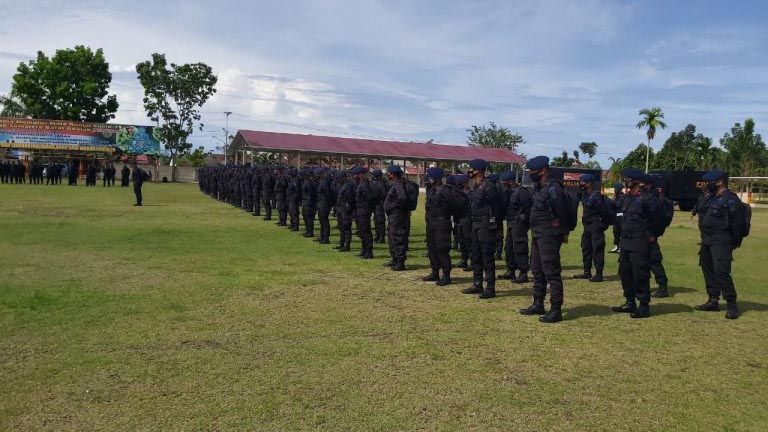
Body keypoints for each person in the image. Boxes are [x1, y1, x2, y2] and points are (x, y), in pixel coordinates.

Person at [519, 156, 569, 323]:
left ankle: (556, 309)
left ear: (542, 171)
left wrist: (563, 232)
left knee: (551, 272)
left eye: (532, 171)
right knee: (537, 270)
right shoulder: (538, 188)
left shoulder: (553, 188)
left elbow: (561, 212)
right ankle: (538, 303)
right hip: (537, 234)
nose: (530, 174)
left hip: (549, 235)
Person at [611, 170, 665, 319]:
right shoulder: (627, 198)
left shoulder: (648, 199)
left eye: (629, 179)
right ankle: (630, 302)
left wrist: (652, 235)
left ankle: (643, 306)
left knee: (640, 274)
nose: (626, 181)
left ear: (639, 181)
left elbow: (660, 220)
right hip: (626, 241)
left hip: (640, 241)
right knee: (625, 273)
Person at [695, 170, 745, 319]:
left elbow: (738, 224)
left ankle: (732, 305)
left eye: (708, 182)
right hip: (707, 239)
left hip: (722, 239)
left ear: (719, 182)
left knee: (722, 272)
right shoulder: (711, 198)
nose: (706, 185)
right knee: (708, 269)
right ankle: (713, 300)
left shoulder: (730, 199)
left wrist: (733, 242)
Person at [461, 159, 502, 300]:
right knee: (476, 255)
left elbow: (497, 207)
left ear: (478, 170)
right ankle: (477, 283)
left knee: (487, 256)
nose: (469, 171)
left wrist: (495, 227)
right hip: (475, 224)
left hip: (486, 225)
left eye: (471, 169)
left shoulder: (489, 186)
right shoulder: (476, 185)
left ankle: (490, 288)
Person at [499, 170, 532, 283]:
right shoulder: (509, 192)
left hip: (519, 224)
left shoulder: (522, 192)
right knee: (508, 248)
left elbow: (528, 209)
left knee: (519, 247)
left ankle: (523, 272)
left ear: (511, 181)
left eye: (505, 183)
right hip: (511, 223)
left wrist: (524, 222)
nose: (504, 186)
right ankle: (511, 270)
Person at [573, 174, 607, 282]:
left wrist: (601, 225)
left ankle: (599, 274)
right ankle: (587, 272)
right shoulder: (585, 195)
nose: (580, 184)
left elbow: (604, 212)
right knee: (586, 248)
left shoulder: (597, 196)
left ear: (588, 183)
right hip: (587, 226)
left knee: (597, 249)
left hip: (596, 226)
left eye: (582, 182)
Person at [422, 167, 453, 286]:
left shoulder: (445, 190)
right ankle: (435, 272)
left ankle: (446, 275)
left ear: (435, 178)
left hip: (442, 223)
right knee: (432, 248)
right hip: (431, 223)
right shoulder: (432, 190)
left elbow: (453, 206)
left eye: (429, 176)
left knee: (442, 249)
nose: (427, 178)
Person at [383, 165, 410, 271]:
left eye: (389, 173)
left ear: (393, 174)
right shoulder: (395, 184)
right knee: (392, 237)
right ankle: (395, 259)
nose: (388, 175)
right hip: (393, 216)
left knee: (398, 237)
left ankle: (400, 262)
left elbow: (402, 198)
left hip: (397, 216)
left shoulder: (399, 184)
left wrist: (395, 208)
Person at [352, 167, 374, 259]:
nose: (355, 176)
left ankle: (369, 251)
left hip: (364, 210)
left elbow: (369, 198)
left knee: (366, 231)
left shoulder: (364, 185)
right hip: (359, 210)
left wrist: (367, 209)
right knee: (361, 231)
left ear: (361, 175)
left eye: (356, 174)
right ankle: (364, 249)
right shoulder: (360, 184)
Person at [453, 174, 473, 272]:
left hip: (467, 219)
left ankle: (473, 261)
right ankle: (464, 259)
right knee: (461, 240)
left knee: (469, 241)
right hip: (459, 219)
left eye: (459, 183)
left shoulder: (470, 193)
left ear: (464, 183)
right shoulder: (458, 193)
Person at [335, 170, 355, 252]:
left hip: (345, 209)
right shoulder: (341, 185)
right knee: (342, 227)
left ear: (344, 177)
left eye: (340, 178)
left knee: (346, 228)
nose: (338, 180)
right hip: (340, 208)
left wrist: (348, 208)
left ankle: (347, 245)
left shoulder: (348, 186)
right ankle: (342, 243)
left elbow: (349, 198)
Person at [371, 169, 389, 244]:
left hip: (380, 204)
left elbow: (384, 194)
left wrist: (378, 198)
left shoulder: (381, 183)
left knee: (380, 221)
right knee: (376, 220)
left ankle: (381, 237)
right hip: (376, 204)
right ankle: (377, 235)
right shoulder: (376, 183)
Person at [315, 168, 332, 244]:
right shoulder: (321, 182)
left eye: (318, 174)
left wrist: (327, 205)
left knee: (324, 221)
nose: (317, 176)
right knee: (321, 221)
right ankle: (322, 236)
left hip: (324, 204)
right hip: (321, 203)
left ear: (322, 174)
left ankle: (326, 238)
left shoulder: (325, 183)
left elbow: (327, 195)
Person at [609, 182, 625, 253]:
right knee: (616, 232)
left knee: (621, 232)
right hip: (615, 218)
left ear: (620, 189)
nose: (615, 190)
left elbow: (617, 205)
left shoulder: (623, 197)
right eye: (615, 189)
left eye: (616, 189)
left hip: (621, 218)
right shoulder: (615, 197)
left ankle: (621, 247)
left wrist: (610, 201)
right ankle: (616, 246)